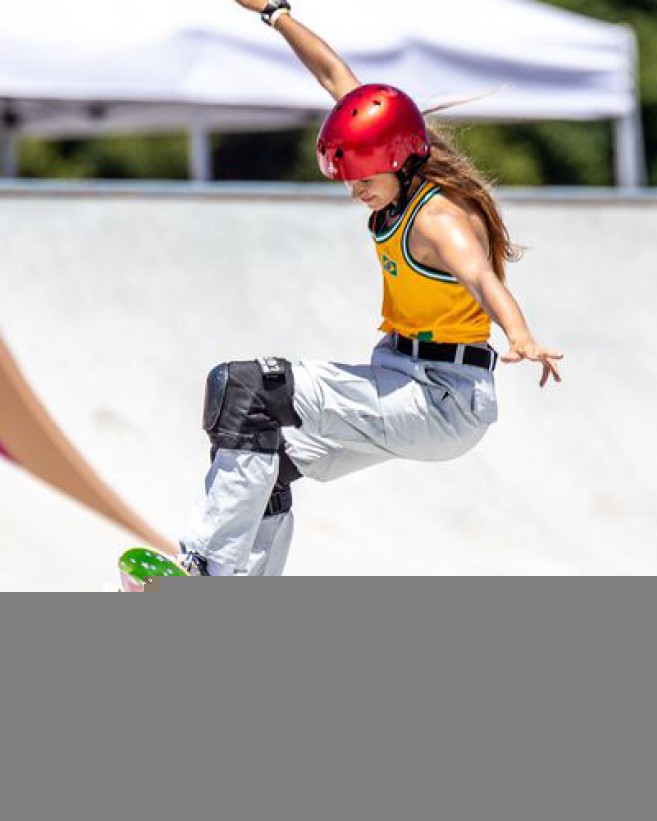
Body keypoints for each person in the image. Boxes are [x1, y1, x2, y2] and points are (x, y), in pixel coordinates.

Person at [178, 0, 563, 576]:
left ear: (400, 161)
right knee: (268, 458)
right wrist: (275, 12)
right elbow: (335, 76)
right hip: (399, 377)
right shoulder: (395, 151)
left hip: (440, 398)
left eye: (364, 181)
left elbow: (481, 275)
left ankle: (206, 574)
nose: (356, 192)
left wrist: (521, 333)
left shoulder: (440, 221)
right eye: (349, 181)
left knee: (246, 388)